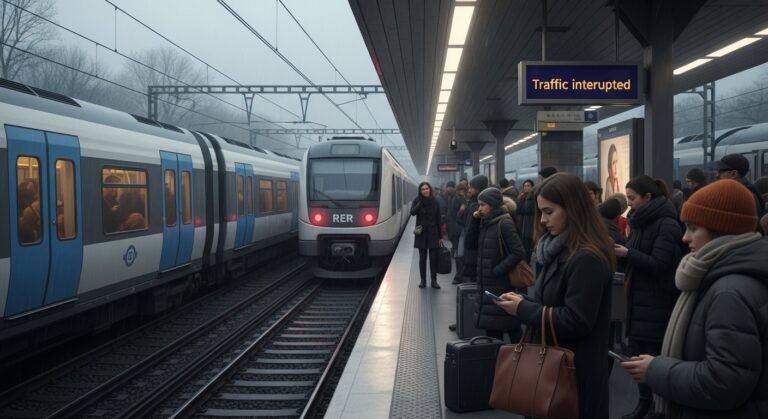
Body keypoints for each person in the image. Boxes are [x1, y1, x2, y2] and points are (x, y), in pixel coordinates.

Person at [621, 179, 768, 419]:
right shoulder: (736, 278)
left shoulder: (729, 292)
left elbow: (724, 381)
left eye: (693, 228)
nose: (685, 238)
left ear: (721, 229)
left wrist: (655, 369)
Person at [494, 172, 615, 419]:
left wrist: (523, 310)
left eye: (549, 212)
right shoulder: (557, 249)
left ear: (573, 209)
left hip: (573, 374)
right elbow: (552, 304)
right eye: (540, 212)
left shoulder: (586, 258)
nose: (542, 219)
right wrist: (523, 302)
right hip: (557, 369)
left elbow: (577, 320)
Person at [614, 175, 684, 419]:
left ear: (648, 197)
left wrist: (627, 253)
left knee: (652, 358)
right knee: (638, 356)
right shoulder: (641, 221)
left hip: (657, 303)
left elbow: (660, 264)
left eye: (632, 199)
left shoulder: (667, 224)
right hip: (639, 301)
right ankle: (644, 403)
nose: (629, 204)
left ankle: (657, 408)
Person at [474, 187, 526, 342]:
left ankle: (518, 359)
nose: (480, 208)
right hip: (487, 284)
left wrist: (497, 270)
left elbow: (518, 252)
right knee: (494, 326)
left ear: (493, 205)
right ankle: (500, 360)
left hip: (500, 284)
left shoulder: (504, 223)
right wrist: (474, 220)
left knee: (508, 325)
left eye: (483, 205)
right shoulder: (486, 222)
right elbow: (471, 243)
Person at [410, 182, 443, 289]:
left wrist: (440, 237)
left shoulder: (435, 201)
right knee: (422, 259)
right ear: (420, 191)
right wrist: (420, 203)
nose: (425, 191)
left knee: (433, 259)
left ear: (430, 189)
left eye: (427, 188)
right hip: (421, 234)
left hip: (433, 234)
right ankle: (423, 281)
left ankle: (434, 281)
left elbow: (439, 219)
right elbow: (412, 212)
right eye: (423, 189)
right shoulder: (416, 200)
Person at [716, 153, 766, 222]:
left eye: (720, 172)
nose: (717, 175)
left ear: (734, 174)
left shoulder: (739, 197)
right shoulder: (749, 191)